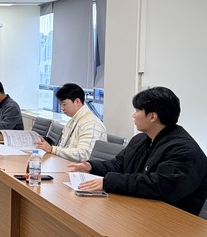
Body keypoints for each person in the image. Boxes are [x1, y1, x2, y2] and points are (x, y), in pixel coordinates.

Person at [69, 86, 207, 215]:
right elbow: (119, 164)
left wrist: (109, 182)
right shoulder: (141, 139)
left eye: (137, 110)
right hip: (140, 210)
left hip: (171, 220)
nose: (133, 115)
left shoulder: (184, 150)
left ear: (152, 117)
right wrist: (91, 166)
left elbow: (159, 186)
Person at [34, 83, 107, 161]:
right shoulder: (72, 121)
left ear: (77, 102)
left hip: (81, 167)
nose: (62, 108)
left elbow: (84, 155)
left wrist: (53, 149)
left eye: (64, 104)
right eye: (60, 104)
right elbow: (63, 147)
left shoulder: (91, 124)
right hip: (65, 163)